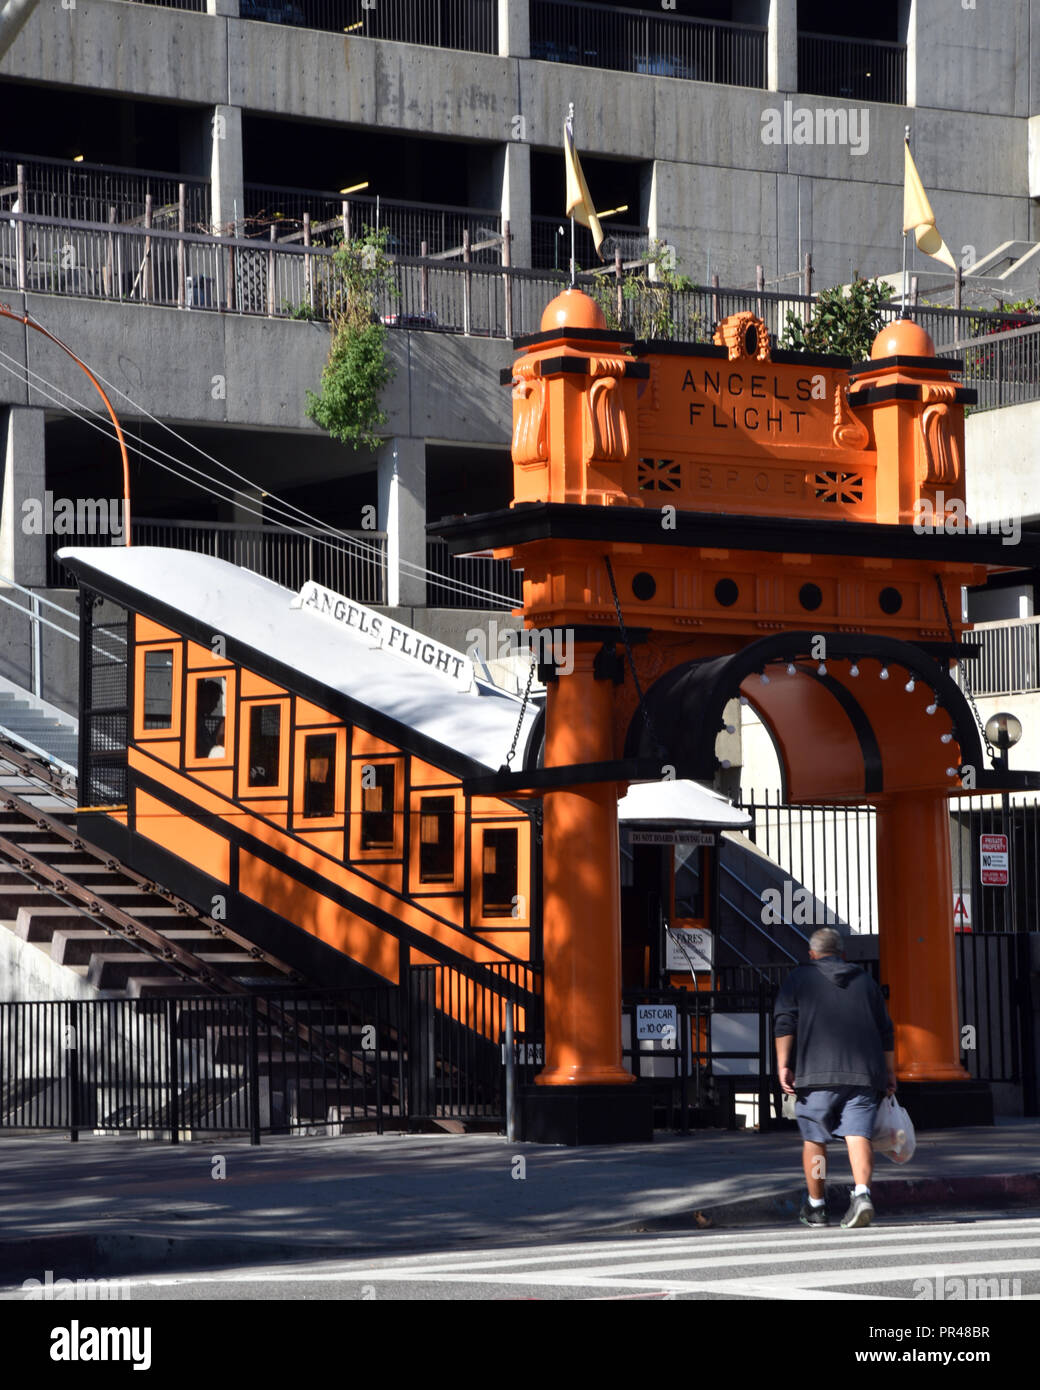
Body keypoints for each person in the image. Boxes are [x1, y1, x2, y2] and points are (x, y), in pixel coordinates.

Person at [773, 926, 896, 1229]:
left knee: (815, 1138)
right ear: (843, 954)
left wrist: (783, 1064)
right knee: (858, 1135)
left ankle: (816, 1207)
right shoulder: (866, 982)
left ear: (812, 954)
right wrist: (890, 1070)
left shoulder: (798, 978)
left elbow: (784, 1023)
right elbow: (886, 1031)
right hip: (863, 1073)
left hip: (816, 1074)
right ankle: (863, 1194)